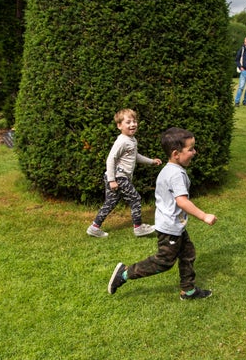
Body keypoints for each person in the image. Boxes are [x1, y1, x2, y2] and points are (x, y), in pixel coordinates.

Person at [107, 127, 217, 300]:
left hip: (175, 225)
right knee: (164, 262)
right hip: (170, 228)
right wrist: (204, 216)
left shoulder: (170, 169)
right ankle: (124, 274)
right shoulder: (175, 175)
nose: (195, 152)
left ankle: (188, 291)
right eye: (191, 149)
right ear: (176, 153)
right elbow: (182, 201)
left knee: (188, 254)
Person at [87, 109, 162, 238]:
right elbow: (111, 159)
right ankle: (139, 228)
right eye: (128, 122)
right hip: (118, 177)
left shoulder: (131, 140)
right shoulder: (122, 141)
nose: (133, 124)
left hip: (118, 177)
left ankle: (94, 227)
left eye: (134, 121)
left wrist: (151, 162)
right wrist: (112, 180)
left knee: (110, 202)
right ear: (119, 126)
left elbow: (135, 156)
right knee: (135, 198)